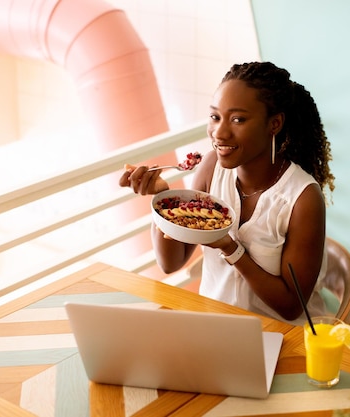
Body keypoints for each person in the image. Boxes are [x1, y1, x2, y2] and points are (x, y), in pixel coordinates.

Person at [119, 61, 335, 325]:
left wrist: (230, 248)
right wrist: (163, 202)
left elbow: (291, 306)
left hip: (283, 337)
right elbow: (170, 263)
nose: (219, 133)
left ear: (274, 124)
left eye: (238, 119)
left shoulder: (303, 198)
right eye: (215, 117)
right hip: (216, 329)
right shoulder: (211, 168)